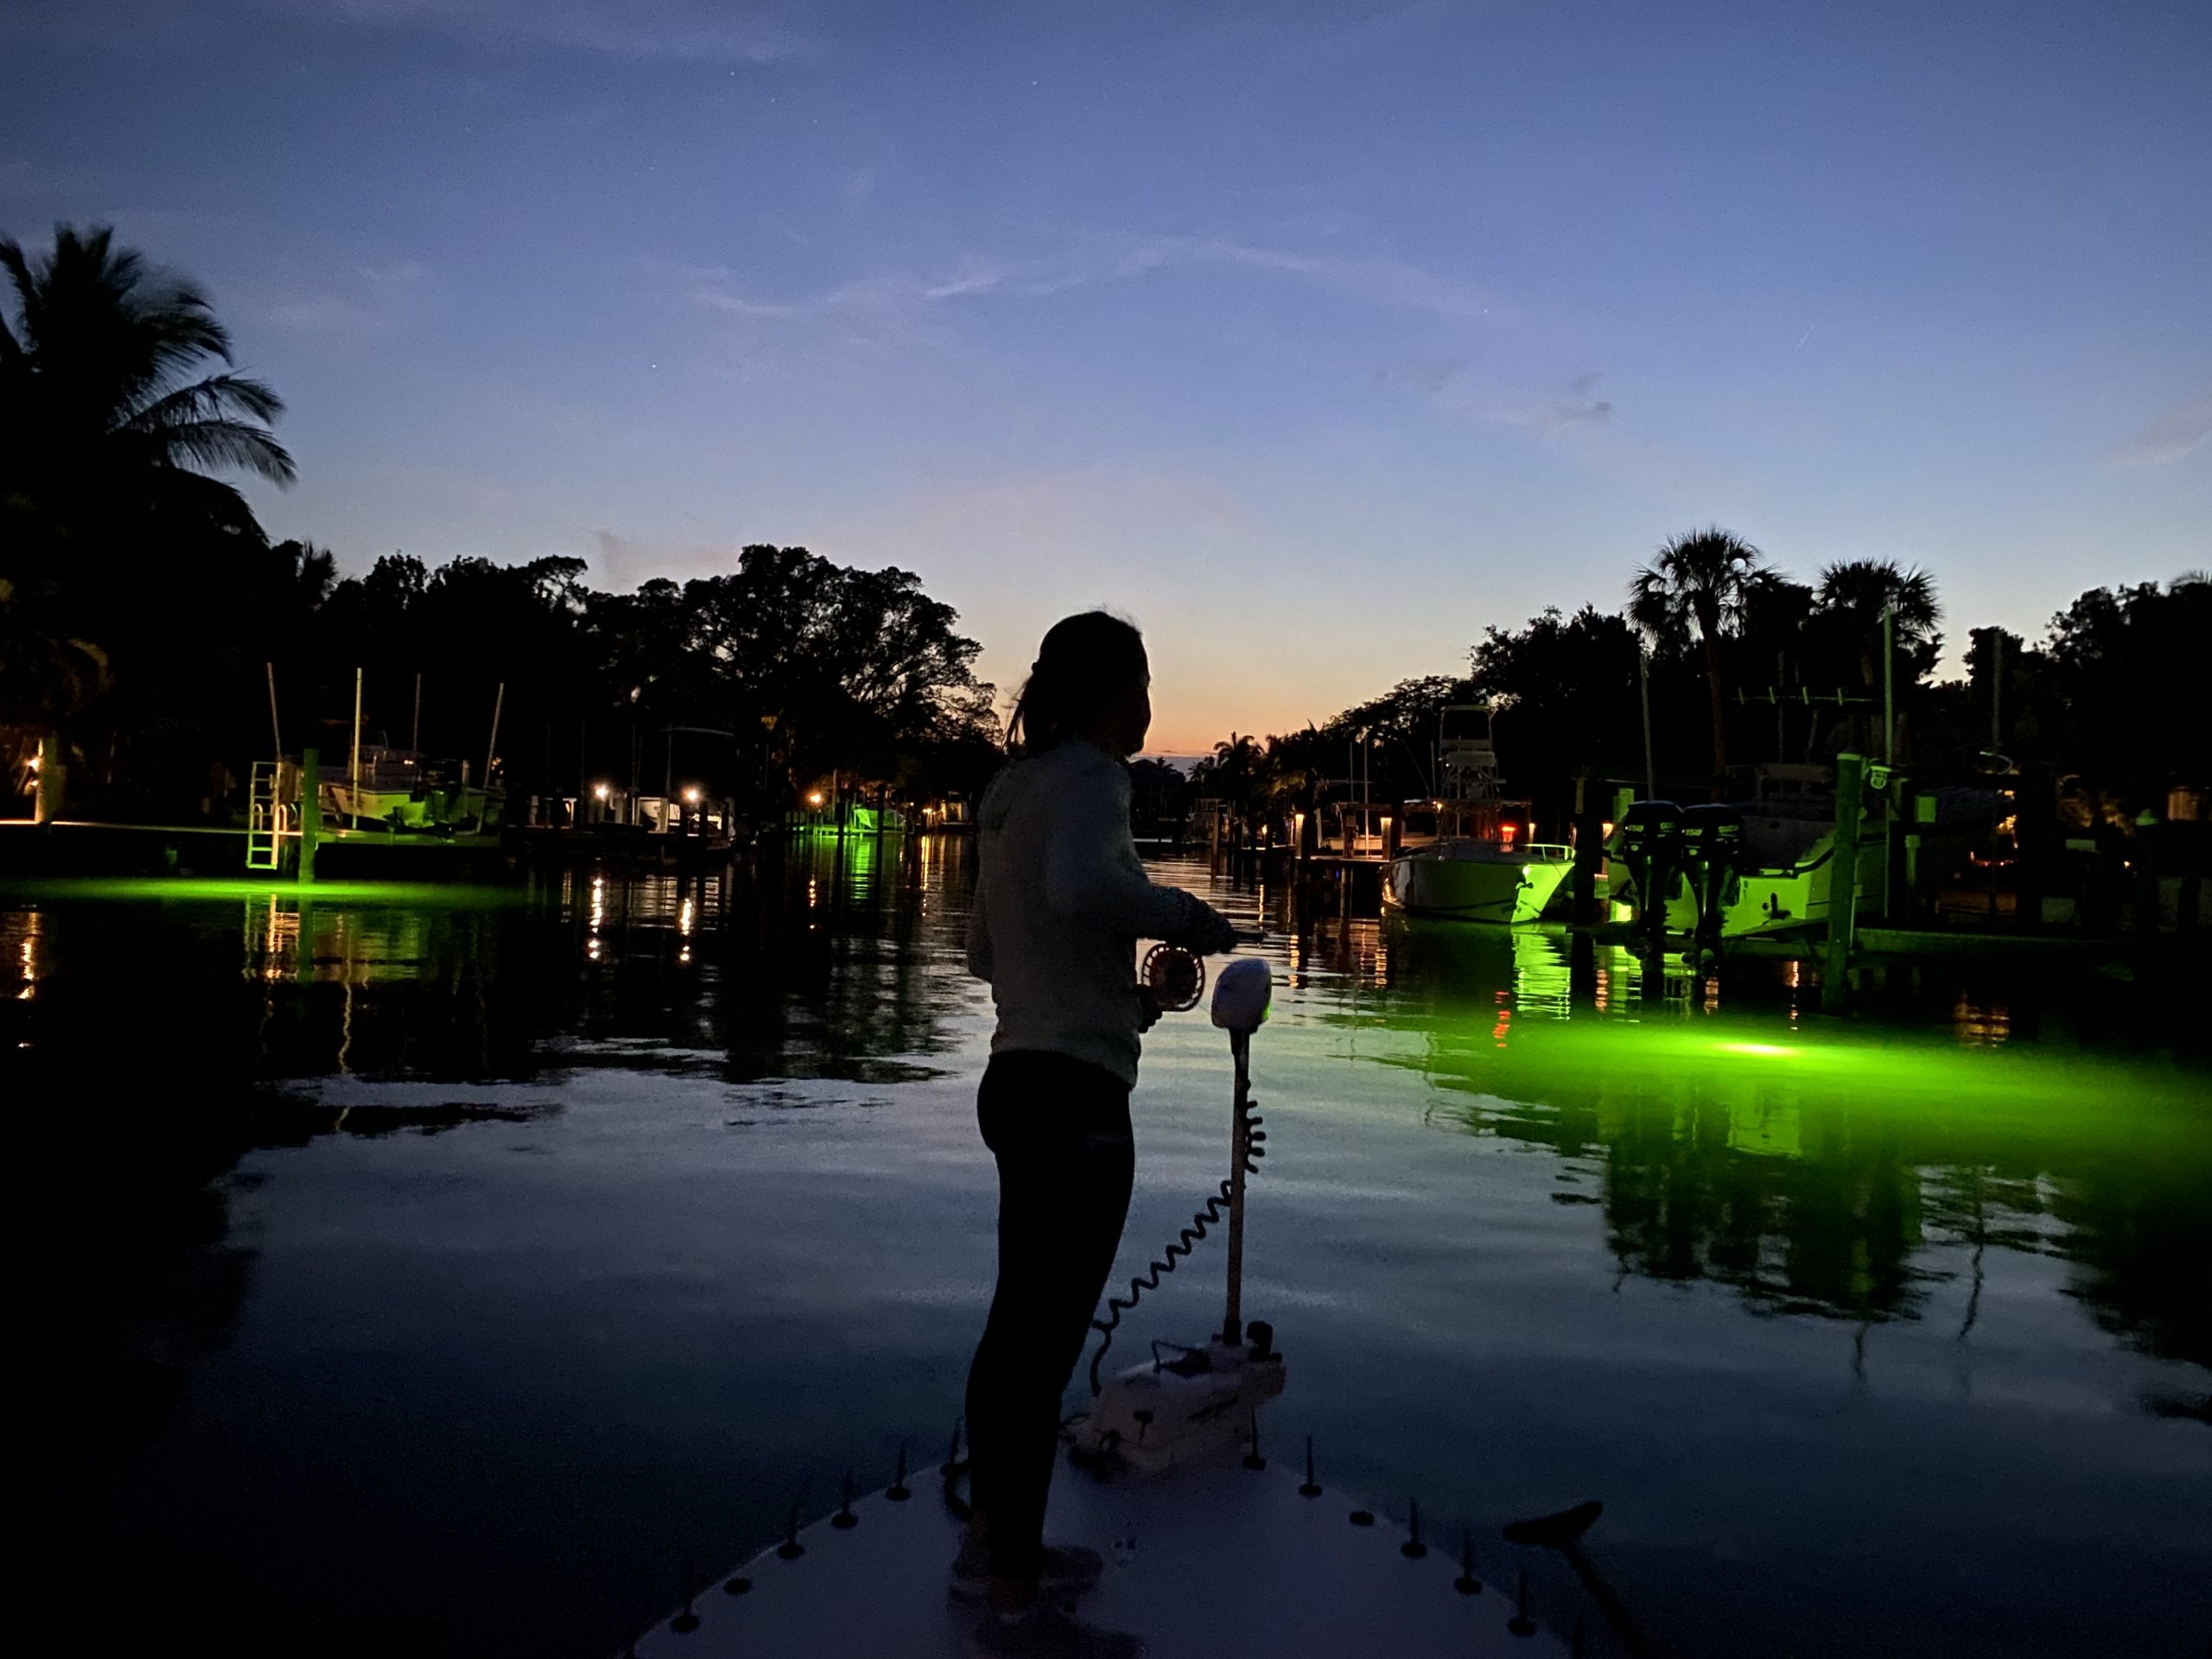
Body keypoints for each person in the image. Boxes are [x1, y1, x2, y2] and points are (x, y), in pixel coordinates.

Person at [954, 612, 1238, 1656]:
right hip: (1075, 1104)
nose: (1152, 704)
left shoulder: (1009, 793)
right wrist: (1190, 917)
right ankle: (1019, 1601)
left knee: (1012, 1332)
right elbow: (1087, 889)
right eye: (1145, 680)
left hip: (1015, 1078)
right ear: (1111, 690)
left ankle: (990, 1546)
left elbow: (988, 951)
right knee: (1041, 1348)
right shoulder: (1090, 779)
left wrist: (1116, 997)